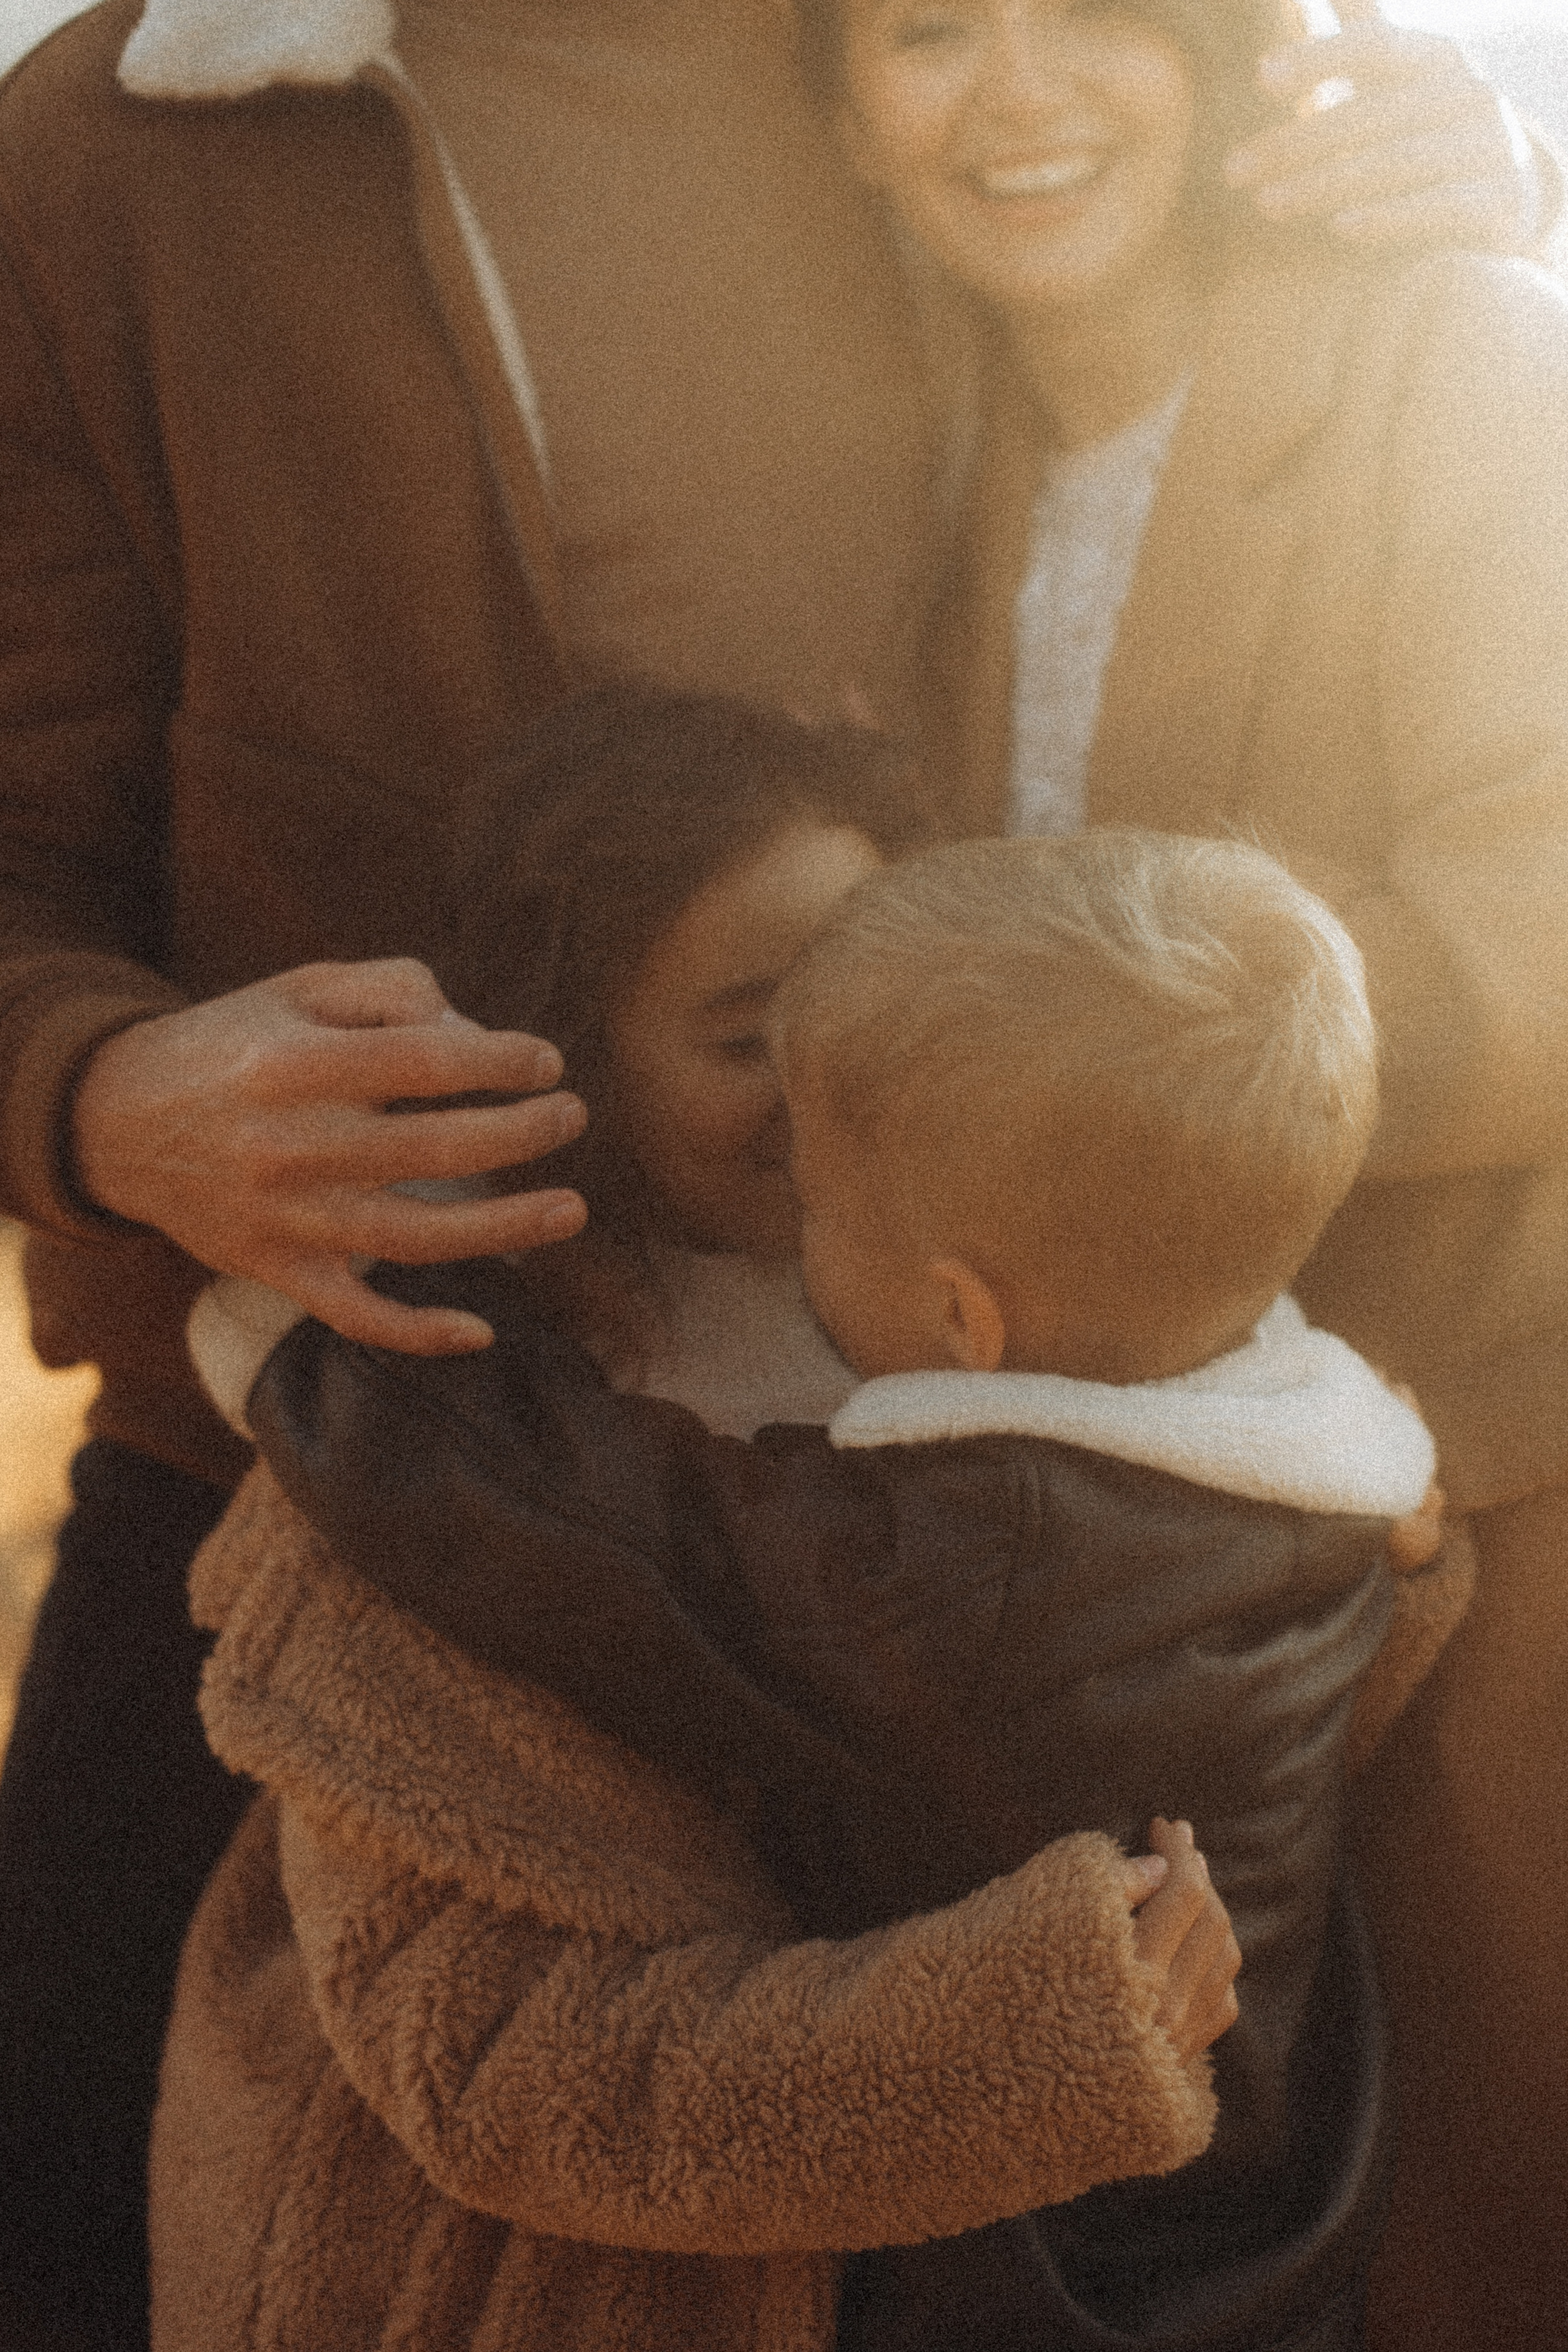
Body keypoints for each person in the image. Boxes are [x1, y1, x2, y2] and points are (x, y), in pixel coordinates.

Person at [0, 2, 1544, 2345]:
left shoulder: (888, 74)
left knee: (1090, 2222)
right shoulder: (109, 148)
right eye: (943, 38)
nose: (999, 71)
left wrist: (1398, 170)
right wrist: (97, 1094)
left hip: (970, 1432)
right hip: (336, 1417)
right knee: (114, 2223)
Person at [217, 819, 1463, 2351]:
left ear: (962, 1313)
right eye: (742, 1033)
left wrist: (304, 1375)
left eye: (824, 1207)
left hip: (1048, 2285)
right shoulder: (1301, 1446)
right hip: (1263, 2242)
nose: (795, 1197)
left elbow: (618, 1544)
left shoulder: (967, 1562)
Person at [783, 1, 1568, 2343]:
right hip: (1071, 1527)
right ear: (838, 110)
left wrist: (1056, 1080)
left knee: (1476, 2217)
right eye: (928, 31)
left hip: (1458, 1479)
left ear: (1219, 47)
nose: (1018, 87)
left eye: (1095, 13)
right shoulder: (913, 448)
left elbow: (1549, 938)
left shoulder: (1458, 351)